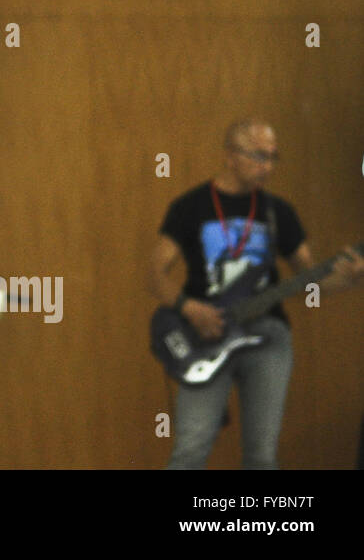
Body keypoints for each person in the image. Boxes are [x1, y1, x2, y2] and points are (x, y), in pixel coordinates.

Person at [148, 119, 364, 469]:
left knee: (261, 456)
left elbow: (311, 282)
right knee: (190, 450)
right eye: (257, 156)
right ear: (230, 156)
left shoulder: (279, 212)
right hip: (203, 333)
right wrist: (190, 309)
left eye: (273, 157)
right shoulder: (190, 208)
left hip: (267, 337)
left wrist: (351, 279)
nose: (267, 166)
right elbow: (155, 275)